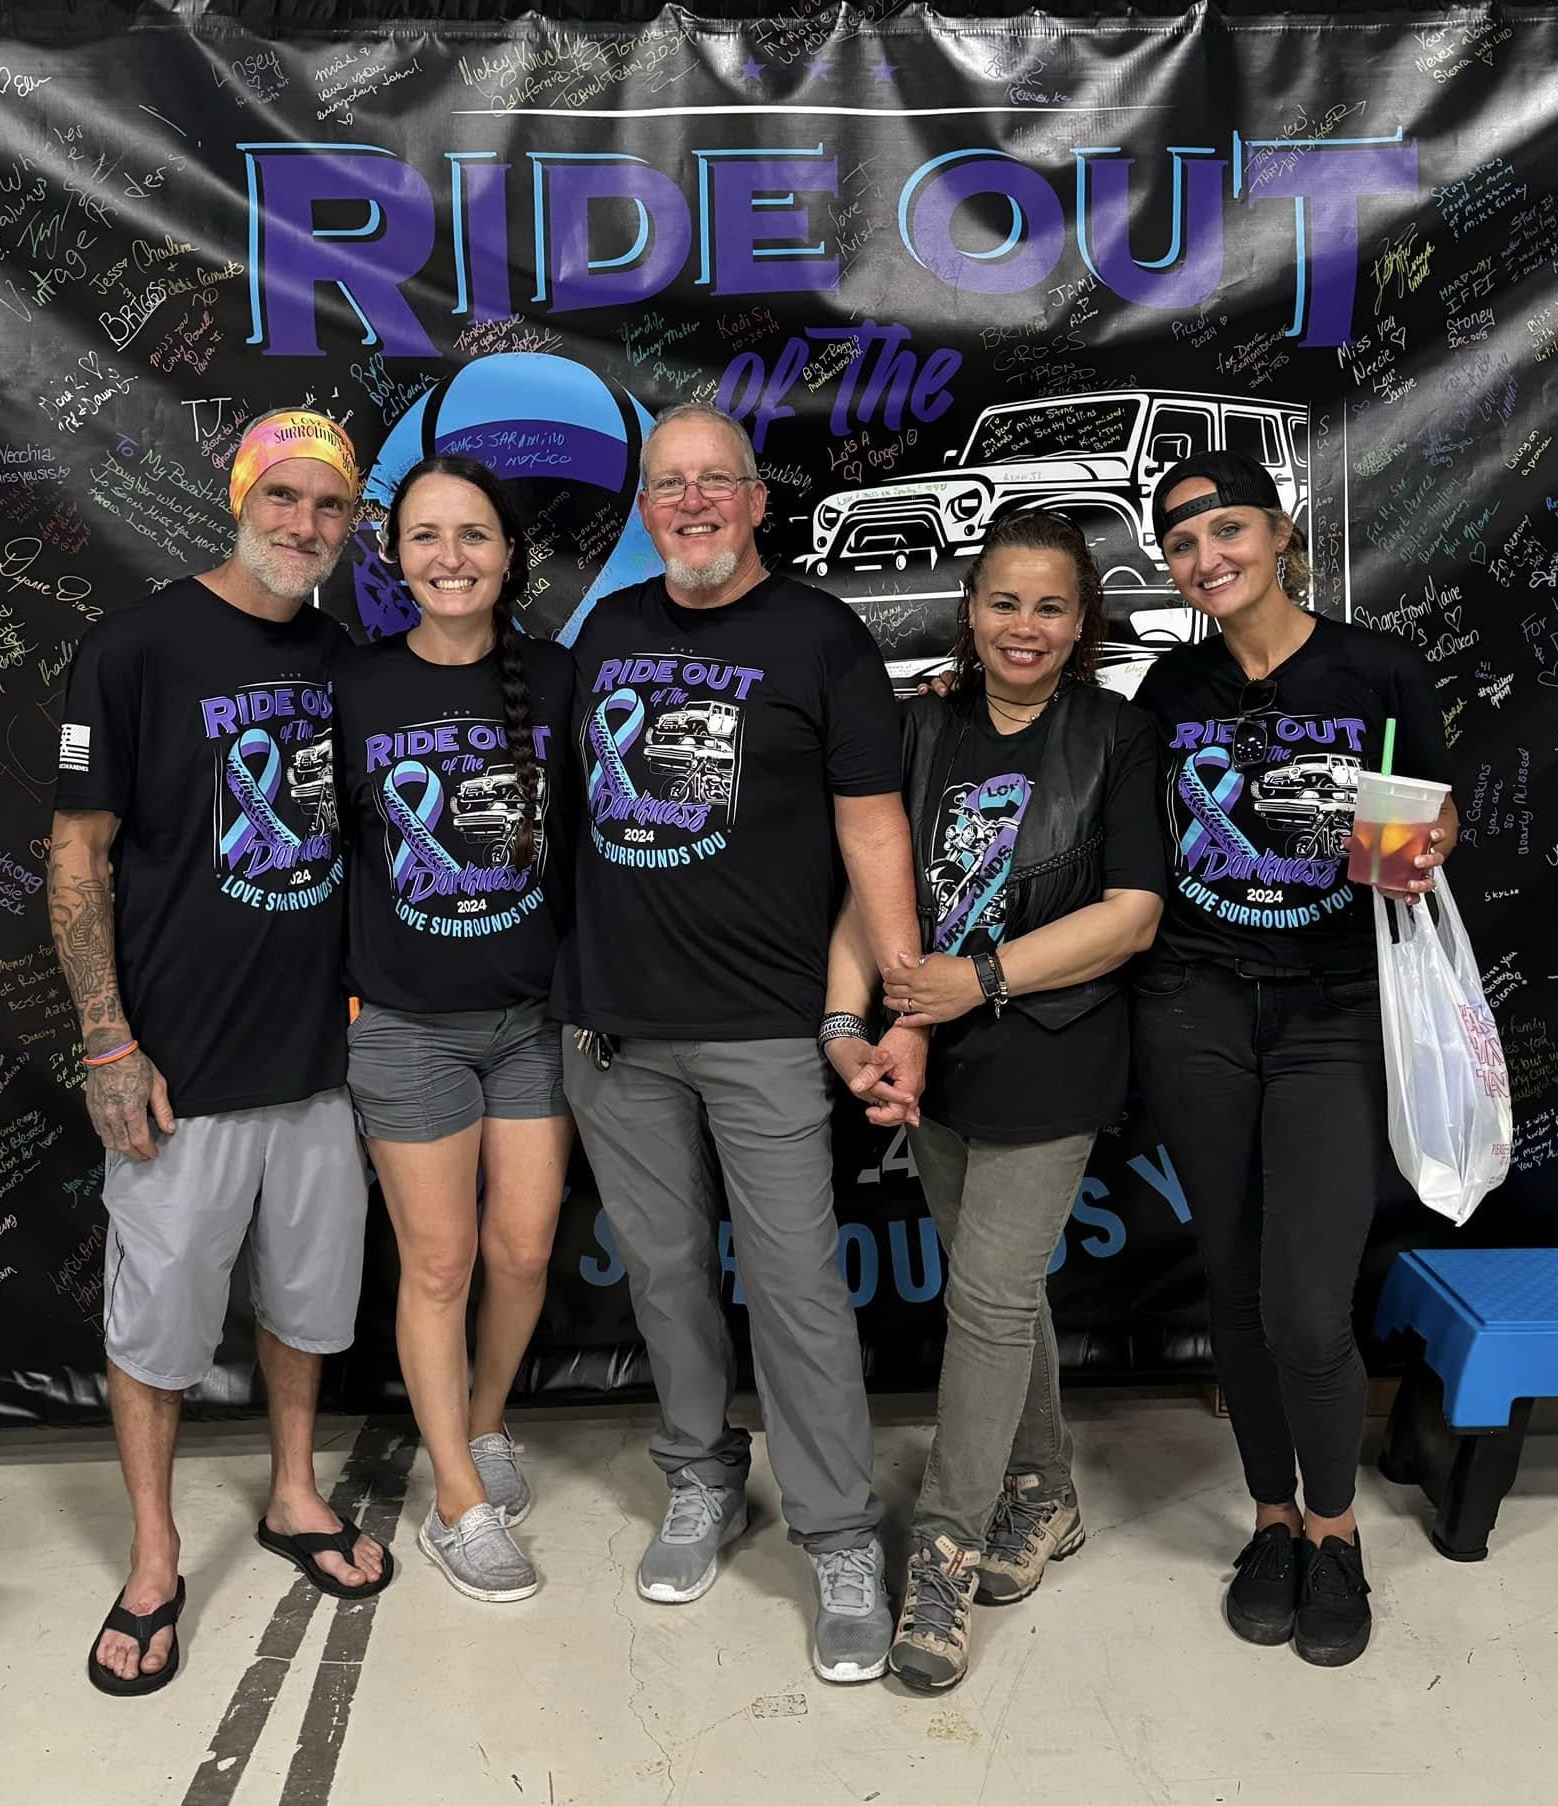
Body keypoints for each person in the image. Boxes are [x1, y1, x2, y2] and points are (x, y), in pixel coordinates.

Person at [553, 402, 927, 1684]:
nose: (694, 502)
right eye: (670, 484)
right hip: (612, 1031)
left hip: (766, 1032)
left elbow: (875, 832)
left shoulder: (820, 637)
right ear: (644, 506)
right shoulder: (605, 630)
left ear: (759, 501)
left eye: (718, 481)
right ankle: (701, 1478)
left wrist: (896, 1000)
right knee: (662, 1280)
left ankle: (833, 1533)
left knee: (797, 1291)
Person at [48, 409, 391, 1699]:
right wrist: (104, 1039)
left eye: (331, 507)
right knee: (158, 1327)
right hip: (178, 1068)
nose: (305, 525)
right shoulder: (135, 650)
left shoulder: (349, 661)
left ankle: (293, 1493)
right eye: (285, 497)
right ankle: (151, 1556)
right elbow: (77, 854)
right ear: (240, 495)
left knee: (305, 1305)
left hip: (319, 1061)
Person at [824, 512, 1164, 1693]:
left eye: (1052, 607)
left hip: (1049, 1049)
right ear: (970, 610)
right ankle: (1049, 1493)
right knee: (1000, 1294)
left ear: (1085, 624)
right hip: (934, 1057)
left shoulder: (1116, 736)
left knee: (983, 1298)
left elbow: (1130, 914)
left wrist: (982, 977)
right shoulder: (916, 728)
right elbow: (867, 893)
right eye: (1004, 603)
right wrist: (854, 1018)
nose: (1025, 628)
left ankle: (943, 1553)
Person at [1129, 449, 1458, 1668]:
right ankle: (1268, 1516)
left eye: (1223, 530)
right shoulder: (1167, 687)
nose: (1204, 557)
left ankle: (1333, 1532)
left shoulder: (1374, 665)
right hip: (1195, 1009)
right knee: (1230, 1282)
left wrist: (1416, 838)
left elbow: (1433, 814)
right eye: (1178, 543)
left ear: (1276, 533)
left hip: (1329, 1013)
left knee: (1306, 1307)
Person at [331, 455, 575, 1603]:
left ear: (509, 554)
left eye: (472, 535)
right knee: (440, 1261)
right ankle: (455, 1504)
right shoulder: (352, 687)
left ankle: (481, 1427)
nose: (449, 558)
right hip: (409, 1029)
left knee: (522, 1251)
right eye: (424, 536)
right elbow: (309, 855)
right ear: (392, 558)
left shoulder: (564, 680)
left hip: (532, 1023)